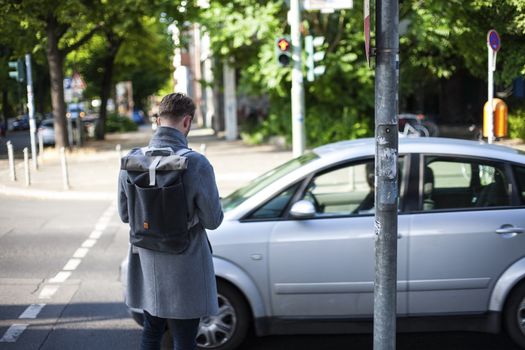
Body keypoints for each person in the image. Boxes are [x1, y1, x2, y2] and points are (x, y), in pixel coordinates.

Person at [118, 93, 223, 350]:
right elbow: (213, 220)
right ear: (187, 122)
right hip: (185, 265)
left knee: (151, 333)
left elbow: (125, 215)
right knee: (185, 339)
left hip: (147, 263)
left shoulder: (131, 161)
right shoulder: (196, 163)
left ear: (157, 120)